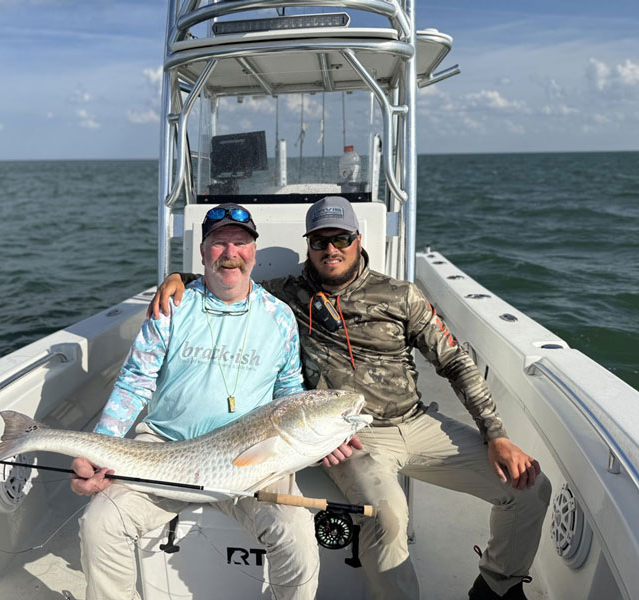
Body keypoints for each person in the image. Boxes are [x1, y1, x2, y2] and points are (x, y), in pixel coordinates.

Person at [151, 196, 552, 600]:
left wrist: (495, 435)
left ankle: (497, 585)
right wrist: (178, 278)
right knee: (388, 516)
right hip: (348, 437)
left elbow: (455, 363)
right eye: (319, 241)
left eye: (341, 238)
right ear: (308, 245)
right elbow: (228, 277)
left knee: (529, 489)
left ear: (358, 239)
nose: (331, 250)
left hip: (418, 422)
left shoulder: (401, 296)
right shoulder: (287, 295)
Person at [71, 203, 323, 600]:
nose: (230, 253)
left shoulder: (279, 317)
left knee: (297, 535)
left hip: (253, 457)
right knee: (101, 523)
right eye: (219, 243)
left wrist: (313, 439)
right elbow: (135, 381)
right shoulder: (172, 305)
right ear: (203, 252)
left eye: (240, 243)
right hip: (164, 451)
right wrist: (103, 446)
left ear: (253, 252)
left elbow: (289, 389)